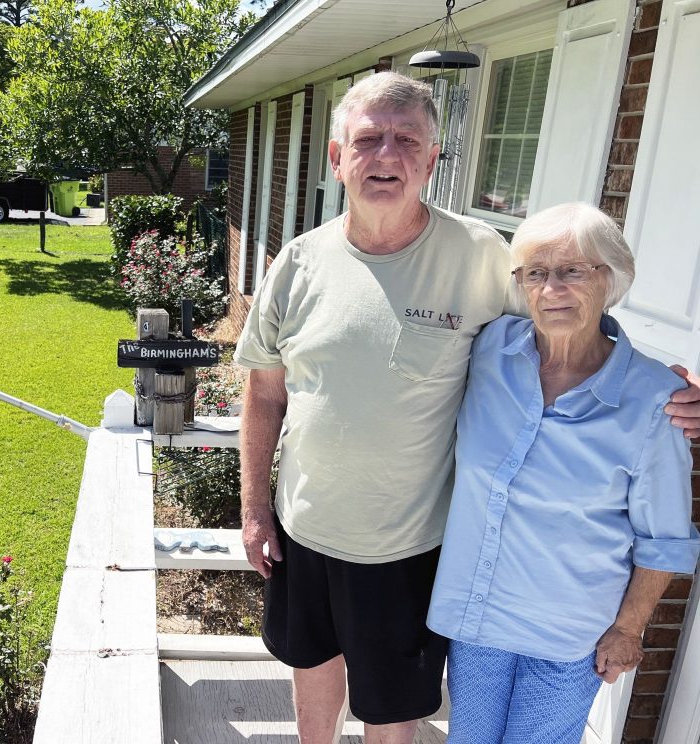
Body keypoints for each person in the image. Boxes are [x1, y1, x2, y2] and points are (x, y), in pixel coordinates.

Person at [234, 71, 700, 744]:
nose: (386, 156)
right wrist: (254, 510)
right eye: (367, 140)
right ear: (338, 159)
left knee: (391, 709)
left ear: (431, 159)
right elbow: (264, 392)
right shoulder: (300, 262)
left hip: (408, 545)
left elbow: (569, 324)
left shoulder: (484, 257)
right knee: (311, 674)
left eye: (407, 140)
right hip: (304, 530)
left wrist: (664, 388)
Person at [426, 203, 700, 744]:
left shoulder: (654, 401)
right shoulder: (488, 350)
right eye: (536, 272)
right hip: (479, 619)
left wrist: (628, 628)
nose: (552, 288)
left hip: (569, 633)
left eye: (573, 270)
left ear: (611, 280)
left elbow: (663, 538)